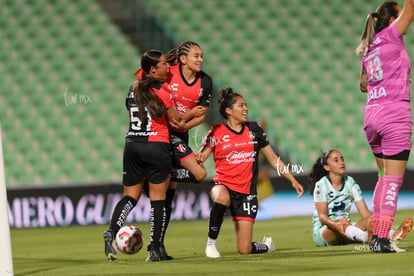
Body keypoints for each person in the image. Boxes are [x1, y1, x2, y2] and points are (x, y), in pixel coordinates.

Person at [103, 50, 199, 262]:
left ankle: (111, 230)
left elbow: (130, 114)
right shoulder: (163, 91)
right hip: (157, 146)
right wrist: (196, 114)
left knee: (130, 196)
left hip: (132, 145)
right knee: (158, 199)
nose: (167, 68)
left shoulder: (133, 88)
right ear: (153, 70)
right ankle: (154, 249)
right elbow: (177, 122)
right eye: (164, 64)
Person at [196, 87, 304, 258]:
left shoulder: (254, 129)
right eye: (241, 105)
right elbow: (201, 157)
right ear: (228, 111)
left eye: (245, 105)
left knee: (244, 249)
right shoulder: (216, 131)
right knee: (221, 196)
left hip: (246, 193)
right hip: (223, 184)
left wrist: (292, 179)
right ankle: (211, 244)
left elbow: (273, 158)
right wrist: (194, 158)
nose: (246, 108)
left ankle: (266, 246)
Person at [356, 1, 414, 252]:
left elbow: (363, 84)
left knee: (383, 177)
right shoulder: (392, 34)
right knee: (393, 180)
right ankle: (381, 239)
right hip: (394, 114)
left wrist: (390, 76)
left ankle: (376, 236)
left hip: (372, 115)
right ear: (392, 19)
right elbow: (410, 6)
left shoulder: (370, 47)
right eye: (399, 15)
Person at [151, 41, 212, 259]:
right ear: (183, 59)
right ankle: (155, 246)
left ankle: (158, 245)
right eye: (196, 56)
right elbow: (151, 91)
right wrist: (182, 118)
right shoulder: (169, 72)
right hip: (161, 134)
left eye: (202, 56)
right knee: (196, 175)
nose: (200, 60)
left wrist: (185, 123)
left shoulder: (205, 81)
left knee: (169, 196)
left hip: (181, 134)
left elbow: (202, 113)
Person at [309, 150, 413, 248]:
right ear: (327, 167)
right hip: (325, 231)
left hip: (349, 228)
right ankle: (365, 237)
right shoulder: (321, 185)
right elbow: (322, 216)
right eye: (336, 160)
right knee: (343, 222)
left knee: (373, 218)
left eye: (342, 159)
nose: (341, 162)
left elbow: (366, 215)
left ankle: (394, 234)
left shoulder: (350, 182)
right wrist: (337, 225)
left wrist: (372, 222)